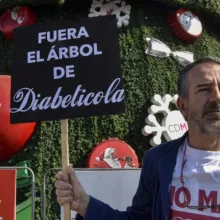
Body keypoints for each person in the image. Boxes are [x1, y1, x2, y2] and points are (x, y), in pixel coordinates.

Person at [55, 56, 220, 220]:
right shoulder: (158, 160)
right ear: (183, 106)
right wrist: (84, 204)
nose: (217, 97)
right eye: (205, 89)